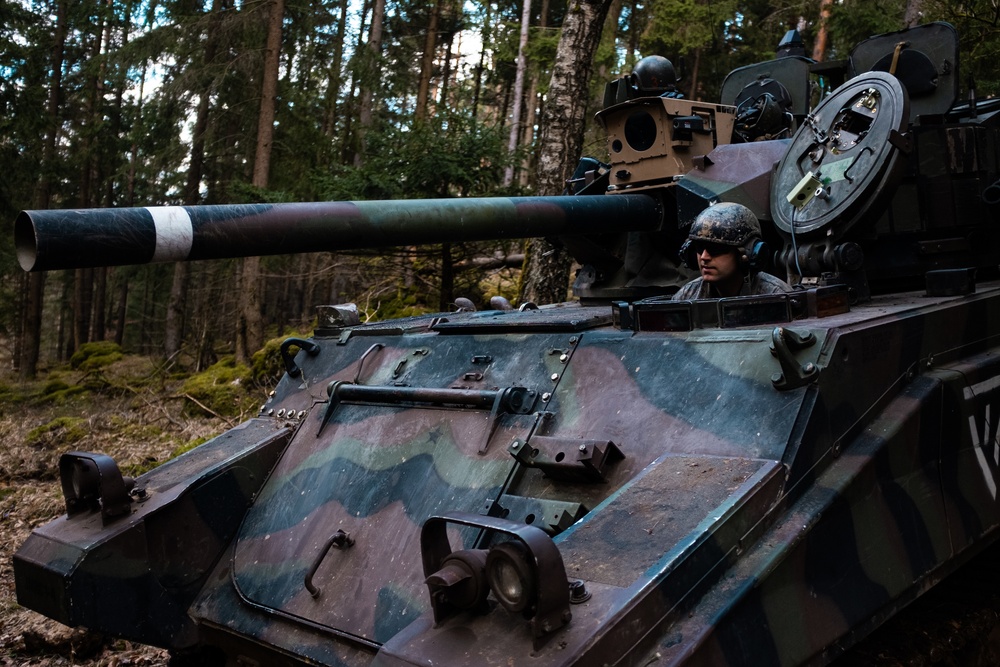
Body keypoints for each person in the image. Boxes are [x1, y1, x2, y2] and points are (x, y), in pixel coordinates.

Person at [672, 202, 793, 300]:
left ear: (747, 254)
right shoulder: (687, 296)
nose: (704, 257)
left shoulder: (777, 296)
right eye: (699, 248)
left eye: (716, 249)